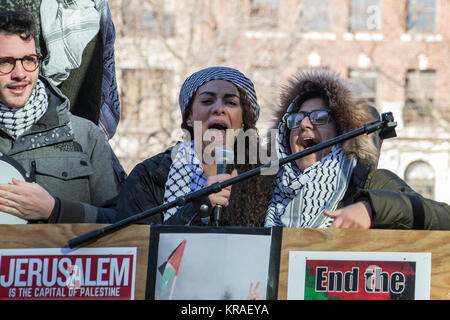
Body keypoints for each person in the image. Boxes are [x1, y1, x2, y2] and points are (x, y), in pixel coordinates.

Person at [265, 69, 450, 229]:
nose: (304, 124)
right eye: (296, 119)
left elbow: (444, 218)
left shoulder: (371, 182)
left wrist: (371, 207)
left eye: (320, 117)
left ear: (342, 131)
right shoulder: (263, 187)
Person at [0, 10, 120, 223]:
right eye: (5, 62)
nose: (19, 73)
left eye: (29, 60)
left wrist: (56, 210)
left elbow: (123, 222)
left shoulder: (85, 136)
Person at [115, 66, 272, 226]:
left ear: (243, 120)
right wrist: (199, 206)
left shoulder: (266, 178)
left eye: (231, 103)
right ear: (189, 117)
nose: (219, 109)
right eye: (207, 101)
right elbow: (138, 244)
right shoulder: (149, 176)